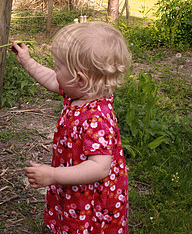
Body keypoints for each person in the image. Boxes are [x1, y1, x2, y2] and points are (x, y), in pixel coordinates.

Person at [9, 21, 131, 234]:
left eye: (58, 67)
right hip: (75, 184)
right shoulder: (80, 93)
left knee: (88, 228)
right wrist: (27, 61)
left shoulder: (96, 118)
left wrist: (54, 175)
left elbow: (99, 167)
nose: (54, 72)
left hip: (91, 196)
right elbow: (50, 79)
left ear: (79, 79)